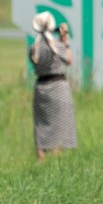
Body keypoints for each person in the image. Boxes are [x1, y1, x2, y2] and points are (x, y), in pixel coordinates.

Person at [29, 12, 76, 161]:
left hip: (41, 88)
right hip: (59, 88)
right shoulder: (58, 46)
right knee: (60, 126)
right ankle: (56, 160)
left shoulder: (34, 48)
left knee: (41, 126)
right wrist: (65, 41)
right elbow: (68, 60)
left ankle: (41, 159)